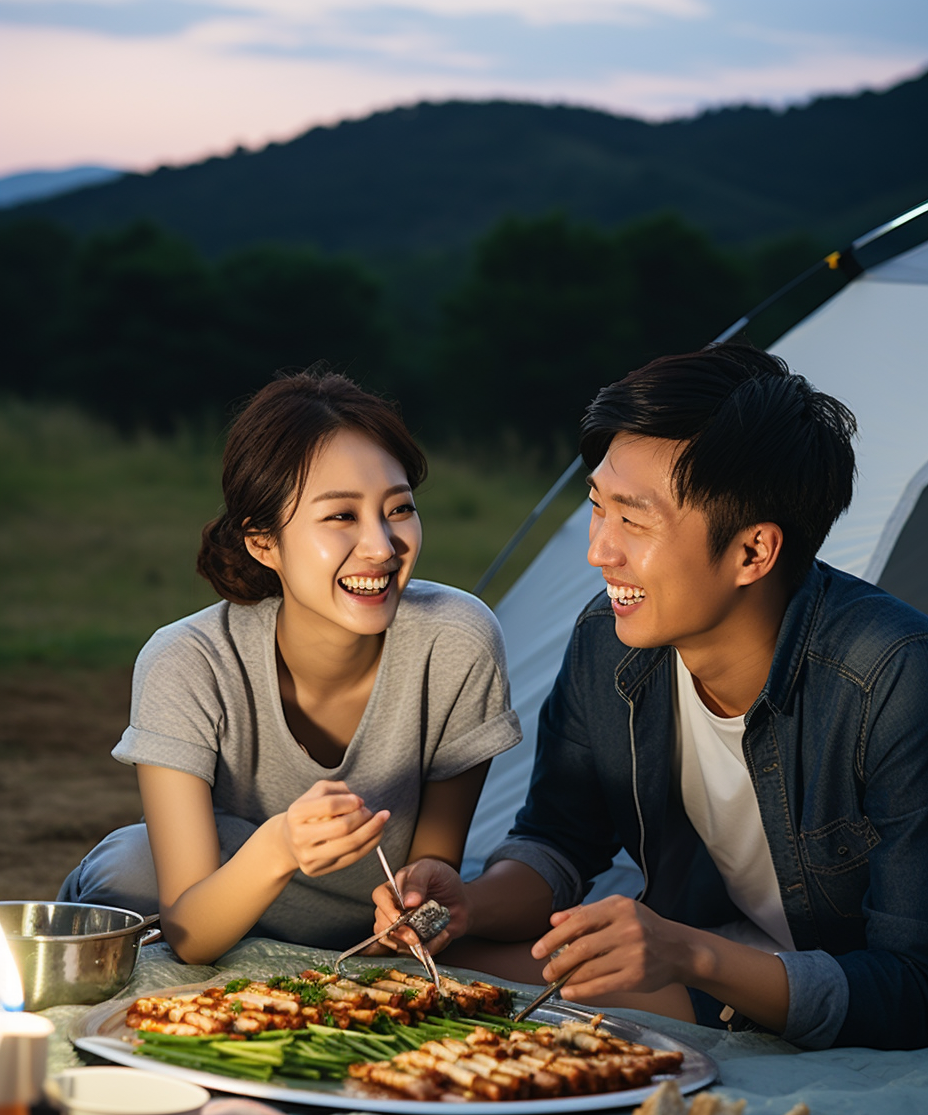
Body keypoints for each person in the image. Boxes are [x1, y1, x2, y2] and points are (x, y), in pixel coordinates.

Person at [374, 340, 928, 1051]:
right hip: (700, 978)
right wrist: (470, 905)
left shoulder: (893, 681)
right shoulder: (608, 640)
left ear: (752, 553)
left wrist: (690, 953)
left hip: (809, 989)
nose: (599, 551)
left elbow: (913, 984)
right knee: (419, 971)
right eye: (598, 508)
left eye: (634, 521)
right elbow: (559, 839)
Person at [59, 370, 521, 963]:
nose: (382, 546)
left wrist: (418, 906)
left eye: (399, 508)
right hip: (216, 913)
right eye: (340, 517)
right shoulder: (189, 663)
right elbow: (191, 933)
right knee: (132, 867)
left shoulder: (457, 641)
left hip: (370, 934)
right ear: (263, 541)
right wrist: (280, 844)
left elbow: (433, 865)